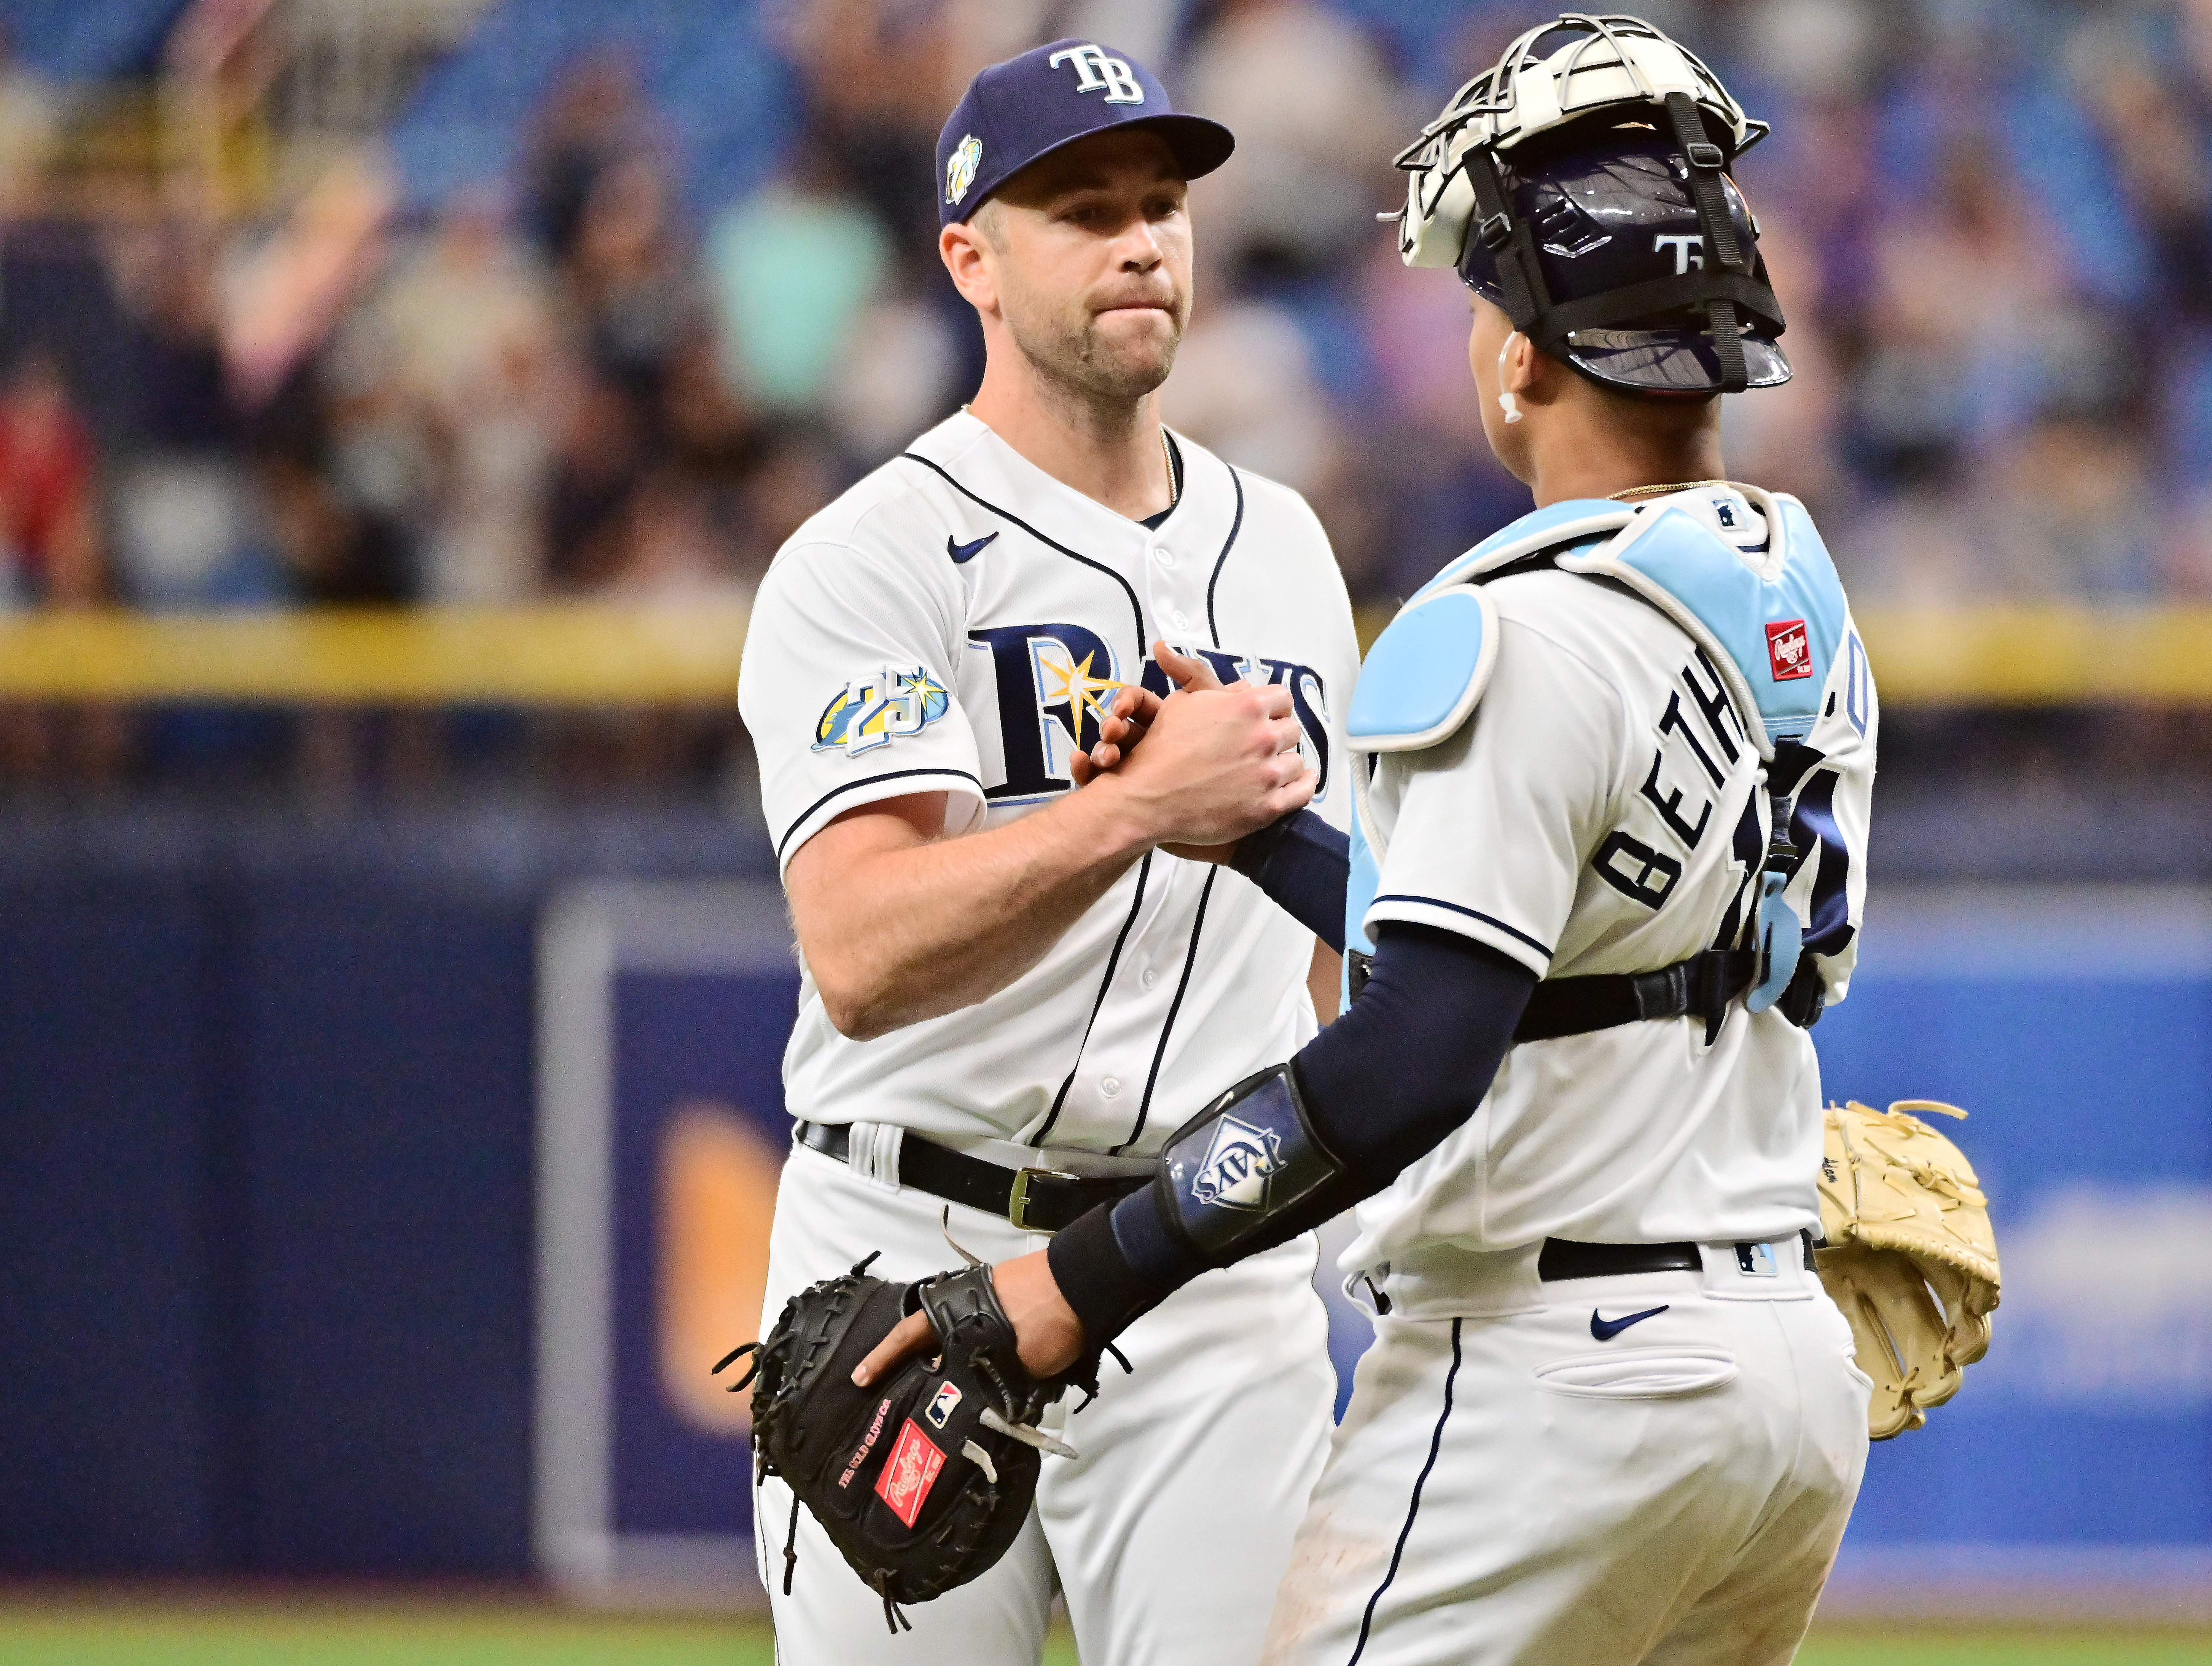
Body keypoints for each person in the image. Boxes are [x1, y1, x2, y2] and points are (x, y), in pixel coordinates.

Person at [857, 17, 1879, 1663]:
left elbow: (1411, 1061)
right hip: (1772, 1381)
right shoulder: (1791, 587)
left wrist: (1071, 1286)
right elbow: (1539, 956)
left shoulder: (1507, 624)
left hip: (1550, 1381)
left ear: (1523, 356)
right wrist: (1266, 833)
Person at [733, 37, 1360, 1666]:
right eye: (1083, 210)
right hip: (909, 1258)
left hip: (1208, 1271)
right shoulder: (865, 561)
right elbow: (860, 958)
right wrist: (1131, 811)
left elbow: (1325, 954)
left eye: (1162, 204)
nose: (1144, 240)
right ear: (971, 260)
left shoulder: (1285, 547)